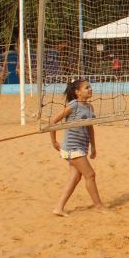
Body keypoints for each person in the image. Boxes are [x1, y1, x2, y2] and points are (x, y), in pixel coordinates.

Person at [49, 78, 107, 216]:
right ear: (77, 92)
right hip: (72, 147)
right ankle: (98, 206)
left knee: (75, 178)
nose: (90, 89)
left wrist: (93, 146)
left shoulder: (89, 107)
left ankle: (58, 208)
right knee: (90, 175)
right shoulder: (74, 105)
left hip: (82, 147)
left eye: (90, 87)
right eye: (86, 87)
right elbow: (53, 121)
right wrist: (54, 142)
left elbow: (90, 127)